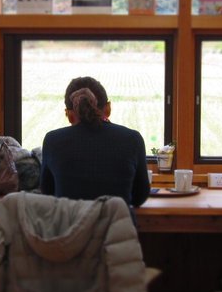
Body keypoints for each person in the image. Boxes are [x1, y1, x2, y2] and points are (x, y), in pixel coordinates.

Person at [40, 76, 150, 207]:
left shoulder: (53, 140)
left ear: (69, 115)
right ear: (108, 108)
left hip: (70, 226)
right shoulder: (132, 139)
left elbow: (48, 193)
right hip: (117, 225)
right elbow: (139, 197)